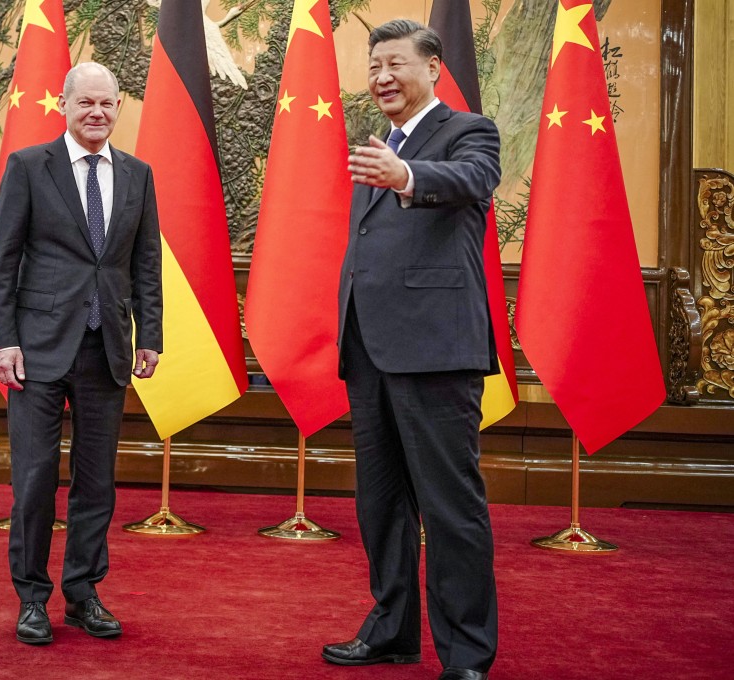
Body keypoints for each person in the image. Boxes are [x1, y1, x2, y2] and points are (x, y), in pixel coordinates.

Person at [322, 19, 500, 680]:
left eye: (395, 63)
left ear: (433, 68)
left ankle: (467, 653)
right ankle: (390, 629)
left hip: (436, 350)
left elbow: (474, 180)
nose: (382, 78)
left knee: (450, 508)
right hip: (370, 349)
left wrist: (406, 174)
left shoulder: (467, 132)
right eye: (373, 67)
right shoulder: (380, 143)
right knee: (381, 502)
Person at [0, 62, 163, 646]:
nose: (97, 114)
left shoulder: (138, 175)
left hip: (106, 347)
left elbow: (145, 267)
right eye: (86, 103)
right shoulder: (29, 167)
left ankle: (83, 594)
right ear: (64, 105)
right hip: (34, 351)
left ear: (118, 109)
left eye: (108, 105)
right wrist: (3, 339)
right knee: (34, 479)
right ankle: (31, 598)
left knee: (97, 483)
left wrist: (151, 335)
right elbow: (2, 261)